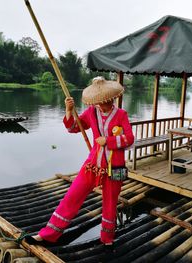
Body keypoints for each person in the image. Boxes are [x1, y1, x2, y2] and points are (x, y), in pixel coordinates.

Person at [24, 76, 134, 248]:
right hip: (92, 165)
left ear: (112, 98)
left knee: (110, 204)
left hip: (114, 167)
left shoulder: (121, 114)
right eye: (102, 101)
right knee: (72, 196)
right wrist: (69, 111)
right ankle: (47, 234)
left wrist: (109, 141)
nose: (104, 103)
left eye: (108, 100)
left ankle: (107, 239)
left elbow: (129, 139)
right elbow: (73, 128)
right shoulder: (91, 112)